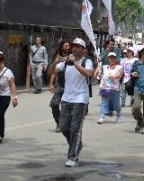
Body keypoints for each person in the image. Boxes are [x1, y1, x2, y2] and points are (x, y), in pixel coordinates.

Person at [50, 38, 93, 167]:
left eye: (78, 46)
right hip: (66, 98)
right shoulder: (66, 62)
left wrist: (75, 63)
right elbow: (52, 71)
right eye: (73, 46)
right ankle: (77, 145)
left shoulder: (87, 61)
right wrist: (55, 62)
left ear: (83, 50)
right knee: (63, 127)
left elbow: (88, 73)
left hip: (80, 99)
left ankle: (72, 157)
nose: (74, 48)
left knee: (75, 129)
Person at [49, 40, 71, 132]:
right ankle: (59, 123)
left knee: (68, 107)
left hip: (70, 86)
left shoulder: (72, 57)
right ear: (62, 47)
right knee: (54, 104)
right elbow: (53, 72)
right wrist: (51, 84)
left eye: (68, 46)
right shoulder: (58, 57)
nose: (68, 47)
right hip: (60, 85)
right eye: (66, 46)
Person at [97, 52, 123, 124]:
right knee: (104, 103)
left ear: (115, 58)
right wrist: (98, 68)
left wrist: (114, 76)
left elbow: (119, 75)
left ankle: (118, 115)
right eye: (110, 57)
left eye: (113, 57)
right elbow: (97, 74)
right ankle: (102, 117)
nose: (112, 59)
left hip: (115, 89)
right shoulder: (104, 67)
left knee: (116, 104)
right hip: (105, 88)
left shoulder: (119, 67)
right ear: (108, 58)